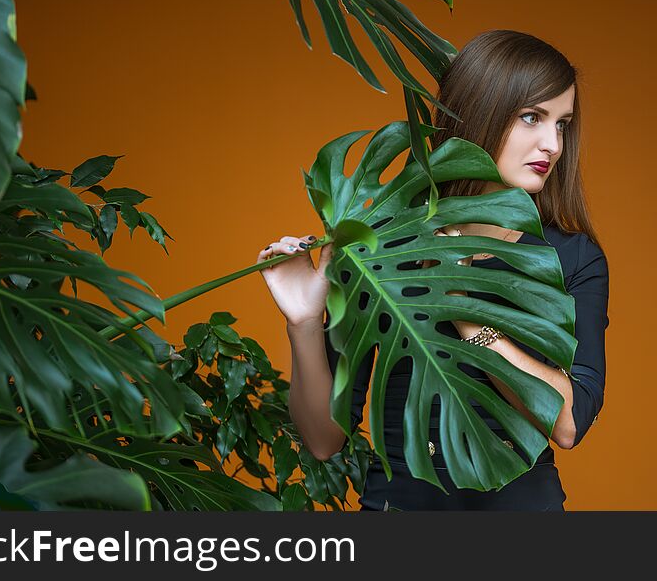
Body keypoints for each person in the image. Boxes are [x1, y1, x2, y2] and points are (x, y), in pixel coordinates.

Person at [257, 29, 610, 511]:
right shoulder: (385, 243)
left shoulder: (572, 257)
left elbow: (568, 423)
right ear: (480, 113)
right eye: (532, 117)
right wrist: (302, 323)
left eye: (562, 124)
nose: (552, 143)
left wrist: (463, 308)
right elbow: (324, 439)